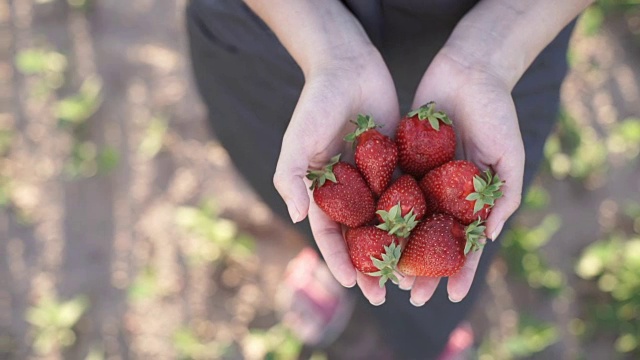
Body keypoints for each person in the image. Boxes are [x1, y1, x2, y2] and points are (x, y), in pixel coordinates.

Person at [185, 0, 593, 358]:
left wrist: (490, 54)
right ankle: (341, 270)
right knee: (302, 175)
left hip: (508, 32)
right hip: (286, 24)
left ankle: (425, 339)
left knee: (437, 276)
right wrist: (327, 45)